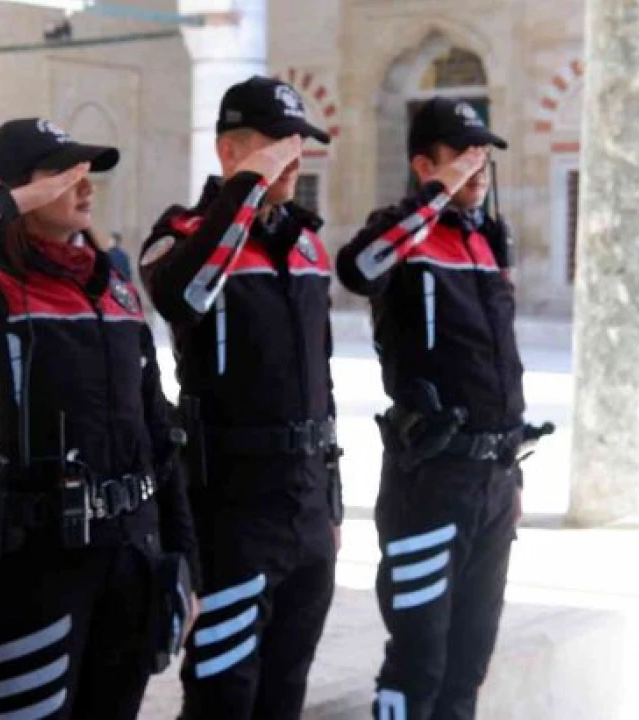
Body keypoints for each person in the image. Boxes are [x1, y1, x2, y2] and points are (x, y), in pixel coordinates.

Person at [0, 117, 200, 720]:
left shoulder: (115, 290)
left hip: (132, 561)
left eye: (86, 173)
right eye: (62, 174)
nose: (84, 186)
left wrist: (186, 562)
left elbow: (159, 434)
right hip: (37, 567)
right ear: (18, 191)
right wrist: (0, 204)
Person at [138, 75, 343, 719]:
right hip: (233, 503)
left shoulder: (307, 246)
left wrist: (332, 501)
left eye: (299, 143)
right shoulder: (182, 232)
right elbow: (183, 296)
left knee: (286, 689)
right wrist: (247, 189)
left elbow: (324, 377)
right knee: (223, 691)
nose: (294, 157)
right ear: (230, 151)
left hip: (306, 501)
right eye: (277, 143)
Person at [336, 97, 544, 720]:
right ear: (425, 164)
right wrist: (436, 195)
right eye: (462, 155)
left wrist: (512, 474)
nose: (477, 167)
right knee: (417, 661)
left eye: (483, 155)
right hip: (431, 478)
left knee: (467, 666)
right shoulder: (400, 234)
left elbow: (501, 365)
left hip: (492, 481)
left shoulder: (486, 239)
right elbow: (357, 268)